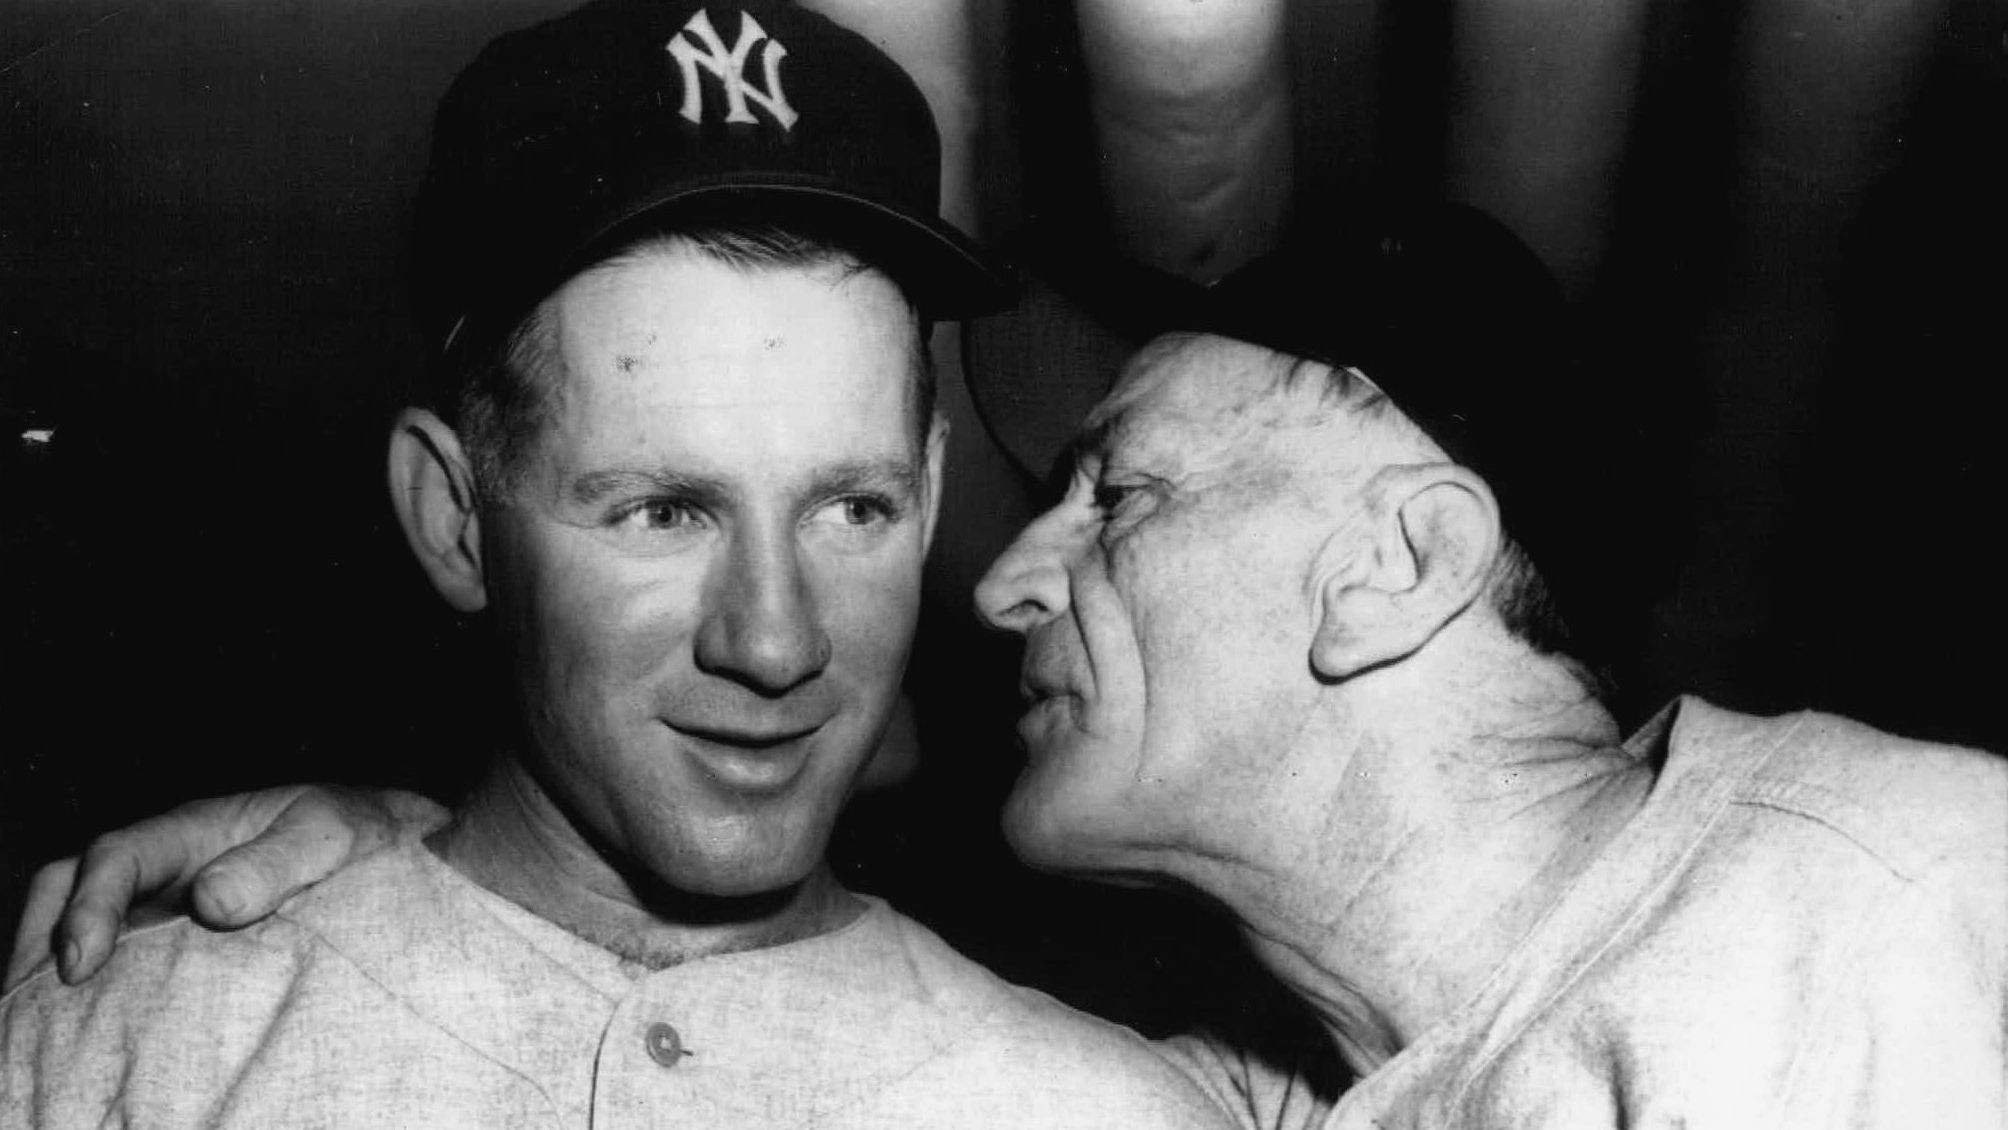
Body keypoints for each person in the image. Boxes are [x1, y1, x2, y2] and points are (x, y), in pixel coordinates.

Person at [15, 163, 2008, 1130]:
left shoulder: (1927, 895)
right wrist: (405, 851)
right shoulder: (1277, 1108)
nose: (998, 582)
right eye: (659, 505)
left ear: (1395, 564)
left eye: (1115, 495)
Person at [0, 2, 1241, 1127]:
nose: (776, 642)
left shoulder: (1106, 1108)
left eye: (852, 506)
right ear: (451, 517)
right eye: (663, 511)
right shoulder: (119, 1054)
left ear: (925, 502)